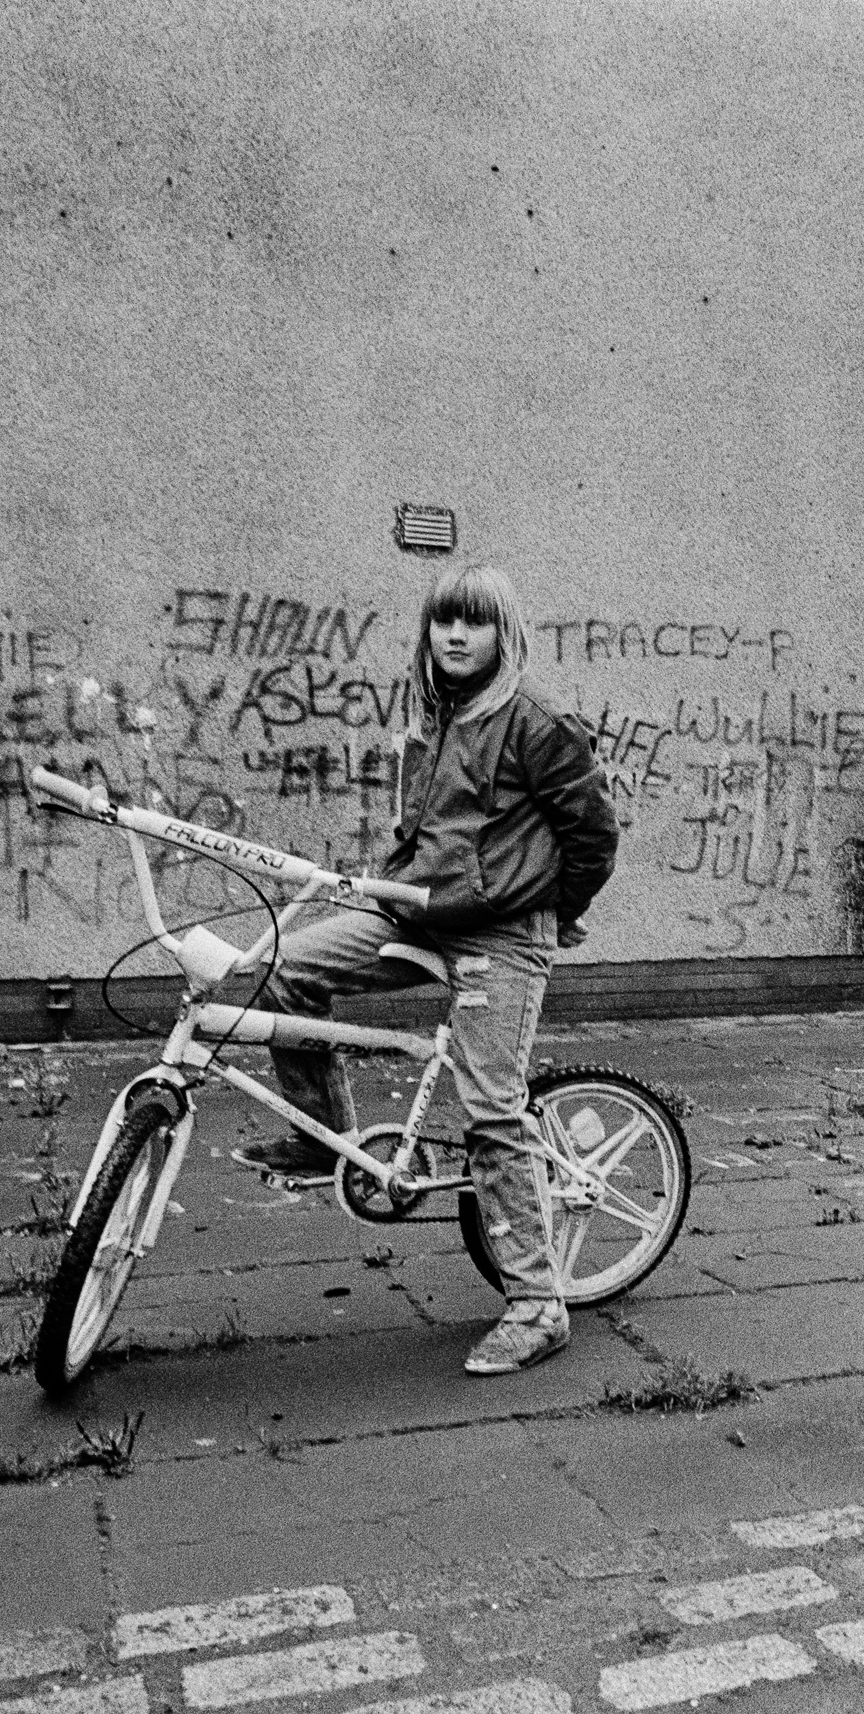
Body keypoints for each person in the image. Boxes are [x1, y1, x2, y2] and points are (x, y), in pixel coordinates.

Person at [231, 561, 621, 1378]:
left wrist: (553, 911)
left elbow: (593, 836)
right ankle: (325, 1139)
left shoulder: (536, 722)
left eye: (473, 622)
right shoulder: (433, 712)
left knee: (490, 1109)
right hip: (412, 910)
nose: (455, 635)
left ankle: (537, 1306)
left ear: (503, 633)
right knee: (283, 970)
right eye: (444, 620)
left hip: (500, 934)